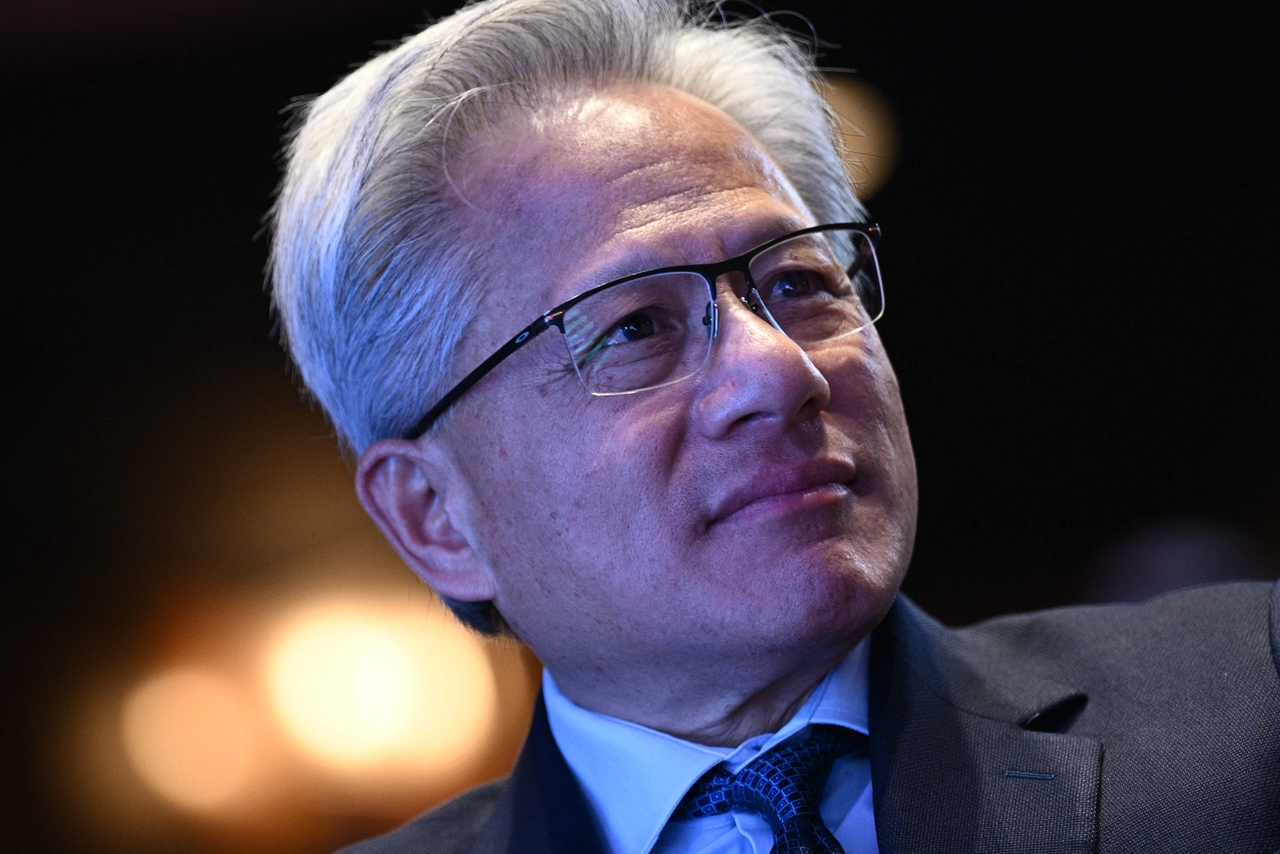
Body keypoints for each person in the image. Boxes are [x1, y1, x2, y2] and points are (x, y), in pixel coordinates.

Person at [269, 1, 1280, 851]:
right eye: (634, 327)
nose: (779, 369)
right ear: (434, 512)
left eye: (798, 282)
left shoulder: (1251, 697)